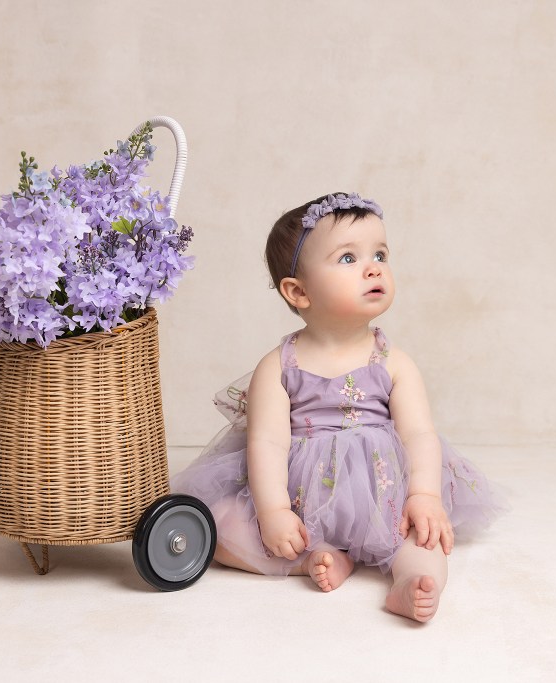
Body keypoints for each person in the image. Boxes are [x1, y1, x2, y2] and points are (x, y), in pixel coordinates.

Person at [171, 193, 507, 622]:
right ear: (299, 291)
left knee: (424, 539)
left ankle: (411, 584)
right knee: (220, 529)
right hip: (298, 498)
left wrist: (423, 494)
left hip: (384, 493)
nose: (373, 267)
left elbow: (419, 434)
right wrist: (273, 513)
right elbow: (268, 442)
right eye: (348, 258)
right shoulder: (278, 366)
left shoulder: (393, 362)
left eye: (380, 254)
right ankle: (310, 559)